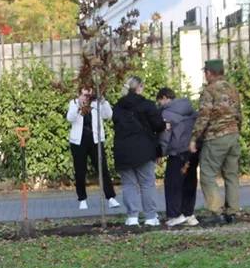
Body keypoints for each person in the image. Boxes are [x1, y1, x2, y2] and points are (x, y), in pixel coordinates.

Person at [189, 59, 243, 225]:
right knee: (231, 175)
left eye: (205, 72)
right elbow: (239, 114)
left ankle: (216, 211)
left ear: (210, 73)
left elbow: (204, 116)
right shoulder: (232, 89)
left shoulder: (209, 91)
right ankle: (232, 212)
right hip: (233, 135)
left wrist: (194, 138)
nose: (205, 75)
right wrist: (236, 130)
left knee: (207, 174)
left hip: (216, 137)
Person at [112, 75, 165, 227]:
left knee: (128, 184)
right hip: (143, 149)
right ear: (139, 87)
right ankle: (150, 217)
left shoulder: (118, 106)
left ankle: (132, 217)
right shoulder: (147, 104)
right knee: (147, 183)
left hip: (122, 150)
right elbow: (157, 125)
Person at [65, 86, 120, 211]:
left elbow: (108, 115)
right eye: (84, 95)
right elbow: (70, 118)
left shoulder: (96, 103)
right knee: (80, 171)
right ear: (79, 94)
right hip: (78, 142)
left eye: (89, 95)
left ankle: (110, 197)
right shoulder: (73, 103)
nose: (87, 98)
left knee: (102, 169)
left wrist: (103, 101)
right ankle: (82, 199)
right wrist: (79, 105)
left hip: (96, 140)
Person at [156, 87, 200, 227]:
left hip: (177, 152)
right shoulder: (190, 109)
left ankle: (175, 214)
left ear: (164, 98)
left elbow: (165, 135)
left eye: (160, 101)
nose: (160, 104)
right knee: (190, 181)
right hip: (192, 150)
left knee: (172, 183)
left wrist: (160, 152)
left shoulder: (167, 113)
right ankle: (188, 212)